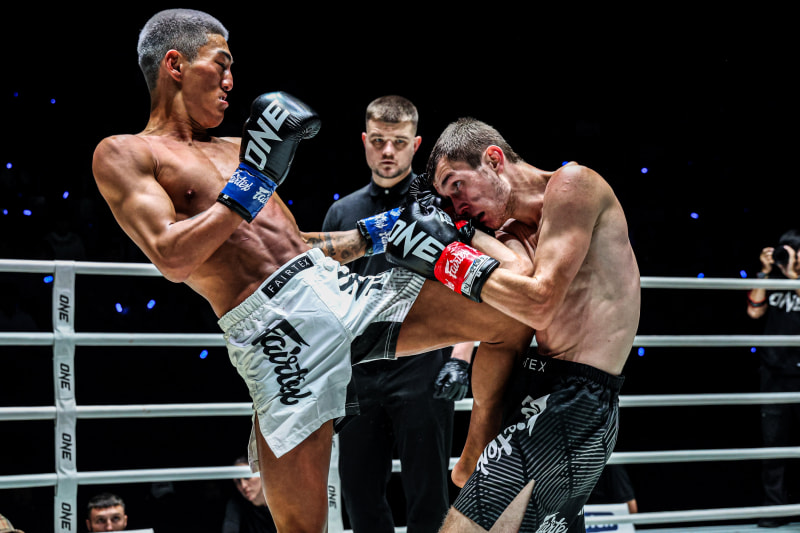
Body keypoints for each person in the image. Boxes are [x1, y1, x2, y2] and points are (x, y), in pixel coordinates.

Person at [91, 9, 533, 532]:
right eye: (221, 64)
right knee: (304, 528)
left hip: (335, 288)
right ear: (175, 64)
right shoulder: (126, 152)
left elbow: (292, 244)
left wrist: (379, 232)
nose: (231, 81)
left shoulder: (237, 149)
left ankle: (477, 447)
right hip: (273, 330)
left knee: (510, 313)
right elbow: (171, 256)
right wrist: (254, 181)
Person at [384, 117, 641, 532]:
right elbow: (506, 296)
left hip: (575, 400)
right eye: (447, 202)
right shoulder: (507, 231)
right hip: (536, 388)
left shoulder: (573, 184)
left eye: (456, 186)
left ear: (493, 159)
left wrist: (445, 253)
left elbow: (539, 304)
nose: (457, 204)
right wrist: (462, 232)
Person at [321, 95, 473, 532]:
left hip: (423, 364)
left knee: (429, 493)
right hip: (357, 368)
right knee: (359, 494)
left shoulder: (439, 209)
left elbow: (469, 289)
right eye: (379, 141)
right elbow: (325, 296)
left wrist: (460, 360)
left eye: (399, 142)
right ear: (365, 141)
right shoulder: (342, 212)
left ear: (416, 144)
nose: (388, 151)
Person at [746, 228, 800, 528]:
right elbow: (754, 311)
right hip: (774, 374)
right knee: (773, 446)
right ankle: (774, 509)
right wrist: (766, 273)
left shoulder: (792, 278)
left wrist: (793, 275)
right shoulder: (773, 279)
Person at [222, 456, 277, 533]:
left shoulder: (280, 499)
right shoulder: (236, 504)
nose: (243, 485)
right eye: (238, 481)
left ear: (261, 474)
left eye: (247, 477)